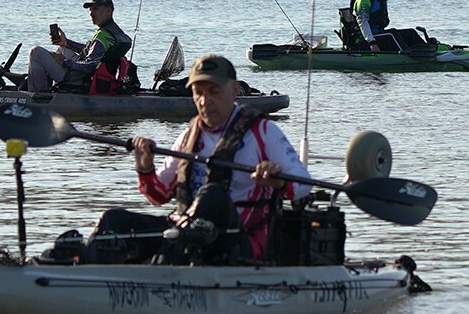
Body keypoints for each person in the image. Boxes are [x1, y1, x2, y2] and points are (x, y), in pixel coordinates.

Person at [92, 54, 308, 264]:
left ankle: (164, 265)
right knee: (113, 220)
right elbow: (158, 196)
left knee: (212, 194)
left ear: (234, 90)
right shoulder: (189, 136)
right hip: (183, 233)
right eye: (198, 92)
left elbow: (302, 185)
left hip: (239, 240)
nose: (205, 101)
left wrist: (279, 180)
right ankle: (84, 268)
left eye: (214, 92)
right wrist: (145, 167)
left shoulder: (263, 131)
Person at [26, 0, 134, 94]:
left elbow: (89, 66)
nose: (91, 13)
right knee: (62, 48)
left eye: (95, 9)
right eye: (90, 10)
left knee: (35, 52)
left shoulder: (102, 36)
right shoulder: (116, 33)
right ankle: (58, 90)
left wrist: (64, 61)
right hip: (89, 76)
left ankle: (39, 94)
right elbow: (93, 51)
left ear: (108, 11)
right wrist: (66, 42)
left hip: (80, 79)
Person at [348, 0, 430, 52]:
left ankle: (427, 51)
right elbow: (363, 23)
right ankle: (408, 56)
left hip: (378, 35)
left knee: (410, 33)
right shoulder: (364, 0)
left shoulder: (380, 0)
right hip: (363, 41)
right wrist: (372, 43)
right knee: (392, 33)